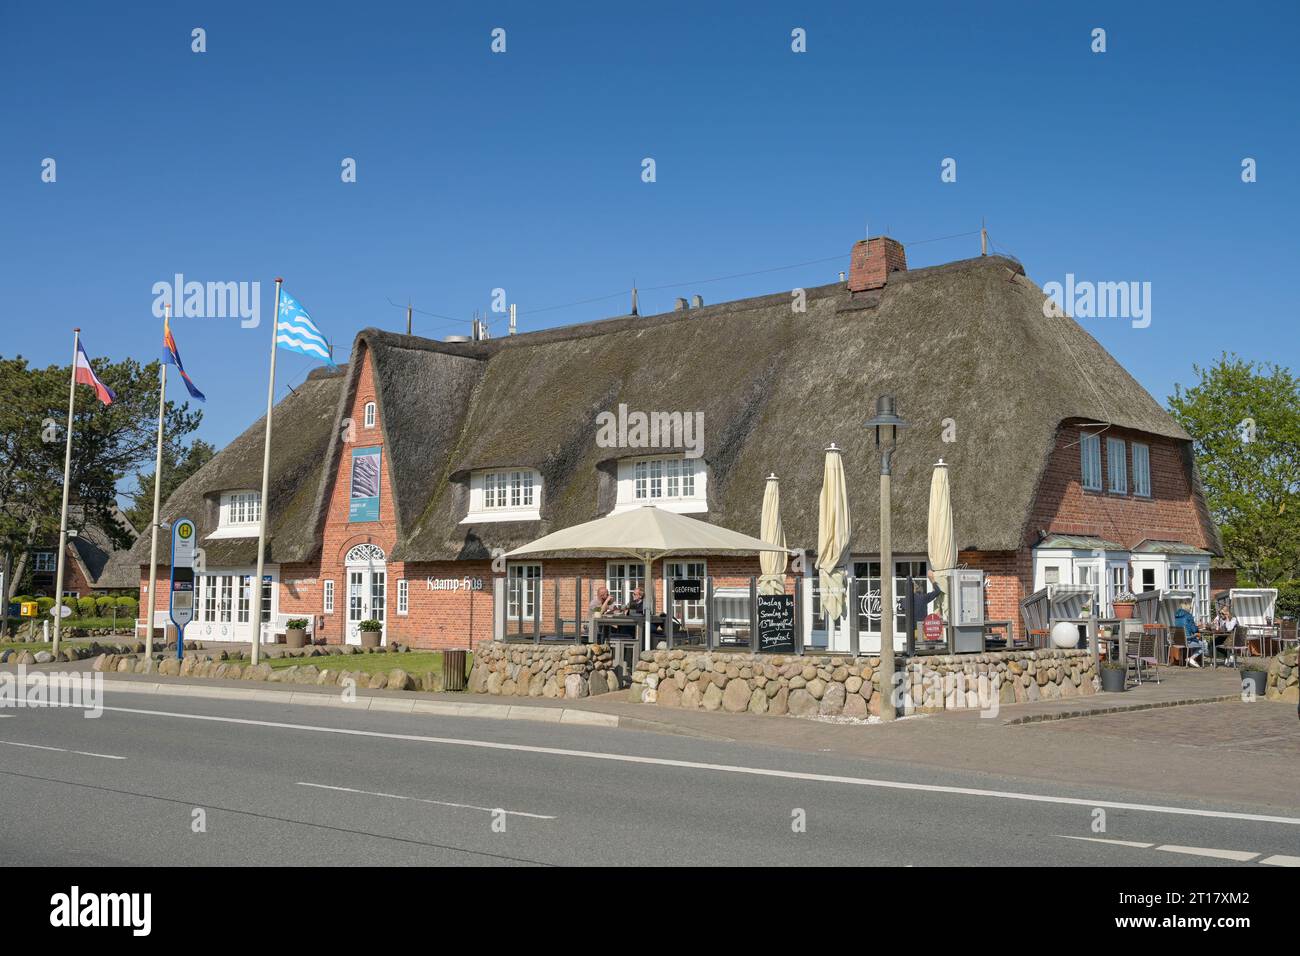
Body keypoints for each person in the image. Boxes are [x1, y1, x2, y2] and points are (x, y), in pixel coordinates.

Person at [910, 571, 945, 639]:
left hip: (910, 632)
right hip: (923, 630)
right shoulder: (922, 598)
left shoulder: (905, 600)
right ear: (915, 588)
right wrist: (932, 580)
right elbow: (938, 591)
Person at [1175, 599, 1204, 666]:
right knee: (1203, 645)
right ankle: (1191, 658)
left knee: (1197, 641)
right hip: (1187, 640)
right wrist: (1198, 626)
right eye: (1190, 607)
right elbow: (1194, 630)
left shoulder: (1176, 616)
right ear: (1187, 607)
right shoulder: (1188, 616)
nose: (1191, 608)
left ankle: (1190, 660)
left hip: (1177, 641)